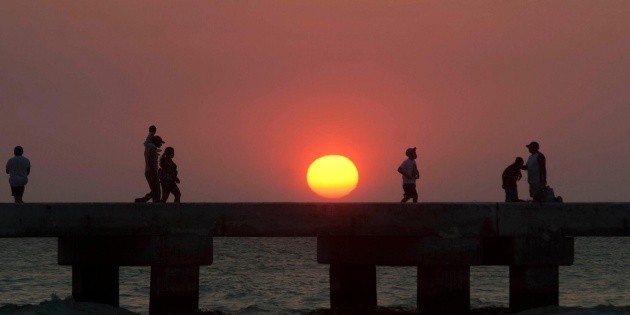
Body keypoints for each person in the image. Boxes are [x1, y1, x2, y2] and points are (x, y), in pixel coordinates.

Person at [135, 135, 164, 203]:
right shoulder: (152, 149)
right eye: (160, 143)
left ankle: (146, 201)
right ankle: (142, 200)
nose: (161, 144)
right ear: (156, 142)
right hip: (151, 172)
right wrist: (154, 172)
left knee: (155, 190)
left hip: (150, 171)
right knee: (156, 190)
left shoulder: (150, 148)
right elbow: (150, 161)